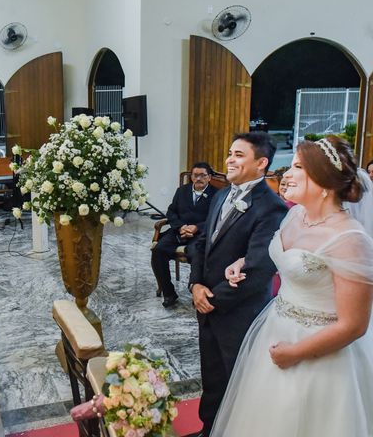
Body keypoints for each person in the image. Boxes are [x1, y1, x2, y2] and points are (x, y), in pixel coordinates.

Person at [211, 136, 373, 436]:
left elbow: (354, 325)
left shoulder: (350, 240)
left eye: (298, 166)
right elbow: (285, 257)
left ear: (324, 181)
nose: (287, 174)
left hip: (320, 354)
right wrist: (243, 262)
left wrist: (296, 352)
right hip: (274, 330)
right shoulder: (296, 214)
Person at [188, 132, 288, 437]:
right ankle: (209, 430)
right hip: (207, 306)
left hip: (239, 315)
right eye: (230, 153)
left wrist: (212, 298)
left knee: (238, 382)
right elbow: (203, 243)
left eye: (239, 155)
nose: (230, 159)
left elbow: (258, 268)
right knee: (212, 379)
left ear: (261, 163)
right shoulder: (221, 194)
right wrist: (195, 285)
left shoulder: (272, 208)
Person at [151, 162, 217, 307]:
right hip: (178, 231)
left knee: (197, 254)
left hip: (201, 235)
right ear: (191, 176)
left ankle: (196, 292)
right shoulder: (182, 191)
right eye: (195, 175)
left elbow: (216, 218)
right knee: (158, 251)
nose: (198, 178)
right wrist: (181, 227)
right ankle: (169, 293)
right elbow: (171, 211)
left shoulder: (217, 194)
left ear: (209, 177)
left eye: (203, 175)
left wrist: (196, 228)